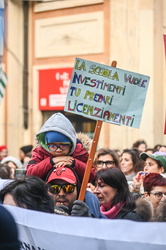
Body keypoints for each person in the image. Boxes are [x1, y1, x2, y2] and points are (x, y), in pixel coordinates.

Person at [26, 112, 95, 182]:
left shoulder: (80, 152)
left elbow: (91, 176)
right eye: (53, 146)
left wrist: (74, 163)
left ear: (71, 144)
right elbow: (30, 174)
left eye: (63, 145)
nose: (58, 150)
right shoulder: (40, 152)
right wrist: (51, 161)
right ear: (46, 145)